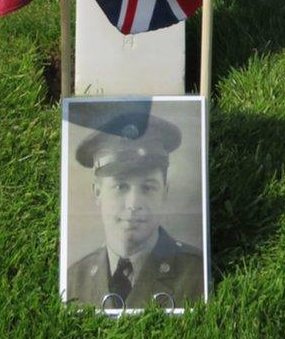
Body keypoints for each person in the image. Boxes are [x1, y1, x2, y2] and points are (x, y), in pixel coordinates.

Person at [66, 112, 204, 311]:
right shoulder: (75, 279)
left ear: (164, 192)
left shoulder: (195, 274)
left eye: (148, 188)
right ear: (97, 192)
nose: (133, 204)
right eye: (120, 187)